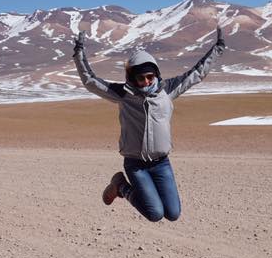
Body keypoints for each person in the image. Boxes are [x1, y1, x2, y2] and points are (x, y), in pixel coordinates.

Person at [72, 27, 225, 222]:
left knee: (173, 213)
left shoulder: (167, 90)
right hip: (136, 165)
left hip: (161, 163)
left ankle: (126, 188)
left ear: (156, 75)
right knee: (155, 214)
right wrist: (79, 53)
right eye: (141, 78)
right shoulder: (123, 95)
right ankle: (121, 186)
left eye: (150, 77)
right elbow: (90, 81)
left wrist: (218, 48)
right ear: (132, 79)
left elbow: (197, 73)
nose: (146, 82)